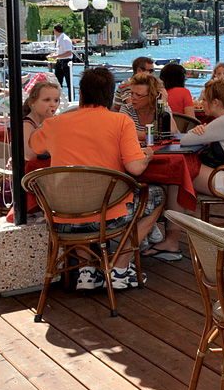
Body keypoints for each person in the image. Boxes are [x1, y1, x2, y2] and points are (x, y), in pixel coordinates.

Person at [29, 67, 163, 291]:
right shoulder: (121, 122)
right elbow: (135, 168)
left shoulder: (55, 124)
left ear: (81, 94)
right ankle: (120, 267)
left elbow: (32, 150)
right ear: (110, 95)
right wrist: (147, 155)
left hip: (62, 219)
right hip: (108, 217)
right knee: (158, 195)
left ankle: (87, 270)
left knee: (75, 196)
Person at [158, 77, 224, 257]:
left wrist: (195, 130)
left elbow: (186, 140)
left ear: (216, 102)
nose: (201, 102)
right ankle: (171, 225)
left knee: (179, 176)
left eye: (204, 99)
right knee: (181, 173)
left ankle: (170, 239)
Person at [22, 80, 61, 161]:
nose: (53, 104)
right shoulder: (27, 125)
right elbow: (28, 155)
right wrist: (46, 124)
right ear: (32, 102)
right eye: (47, 100)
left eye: (56, 100)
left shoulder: (55, 121)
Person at [121, 72, 163, 141]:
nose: (133, 97)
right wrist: (155, 135)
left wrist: (164, 102)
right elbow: (124, 134)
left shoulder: (160, 110)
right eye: (132, 93)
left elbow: (172, 131)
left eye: (138, 95)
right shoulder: (127, 109)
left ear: (151, 96)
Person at [51, 24, 73, 96]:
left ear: (55, 30)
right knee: (58, 83)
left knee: (69, 83)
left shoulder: (65, 39)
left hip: (66, 62)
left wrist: (57, 56)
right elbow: (61, 51)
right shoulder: (59, 39)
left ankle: (71, 98)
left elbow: (69, 53)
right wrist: (55, 54)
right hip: (59, 62)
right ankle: (58, 98)